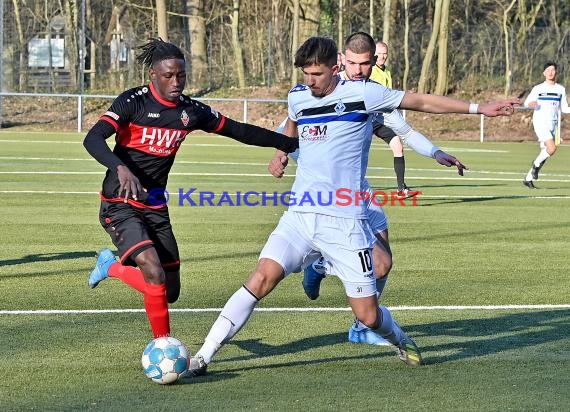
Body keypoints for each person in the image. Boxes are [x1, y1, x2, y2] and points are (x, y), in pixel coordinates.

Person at [187, 36, 518, 375]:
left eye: (316, 74)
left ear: (335, 67)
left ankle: (399, 339)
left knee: (368, 315)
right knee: (260, 278)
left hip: (346, 223)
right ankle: (203, 356)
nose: (309, 81)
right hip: (300, 215)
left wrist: (479, 109)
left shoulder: (365, 94)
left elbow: (419, 102)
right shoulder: (298, 96)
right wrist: (281, 153)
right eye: (305, 74)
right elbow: (290, 124)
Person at [83, 38, 298, 339]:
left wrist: (290, 144)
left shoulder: (189, 111)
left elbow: (239, 131)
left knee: (170, 292)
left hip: (156, 204)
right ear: (153, 76)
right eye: (169, 75)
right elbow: (92, 138)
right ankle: (164, 345)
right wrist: (119, 166)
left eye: (181, 75)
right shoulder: (133, 102)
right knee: (153, 272)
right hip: (120, 202)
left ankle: (112, 267)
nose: (176, 82)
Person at [269, 32, 467, 347]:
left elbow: (404, 129)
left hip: (359, 191)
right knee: (379, 260)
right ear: (340, 62)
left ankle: (336, 287)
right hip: (327, 196)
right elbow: (287, 129)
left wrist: (435, 153)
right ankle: (346, 298)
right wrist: (284, 154)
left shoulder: (372, 93)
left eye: (365, 64)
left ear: (374, 62)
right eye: (352, 63)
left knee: (385, 261)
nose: (359, 70)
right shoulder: (319, 90)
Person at [369, 40, 410, 195]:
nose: (383, 56)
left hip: (382, 119)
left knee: (397, 145)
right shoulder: (370, 70)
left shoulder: (386, 72)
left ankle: (401, 188)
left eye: (385, 53)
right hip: (368, 118)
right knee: (354, 152)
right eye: (379, 54)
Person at [522, 62, 569, 189]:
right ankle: (536, 165)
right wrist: (531, 104)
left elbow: (564, 108)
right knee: (552, 148)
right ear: (544, 73)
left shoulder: (560, 89)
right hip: (540, 122)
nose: (550, 72)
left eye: (553, 70)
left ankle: (528, 178)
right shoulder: (538, 88)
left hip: (553, 124)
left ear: (556, 72)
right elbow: (527, 103)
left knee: (547, 152)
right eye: (548, 70)